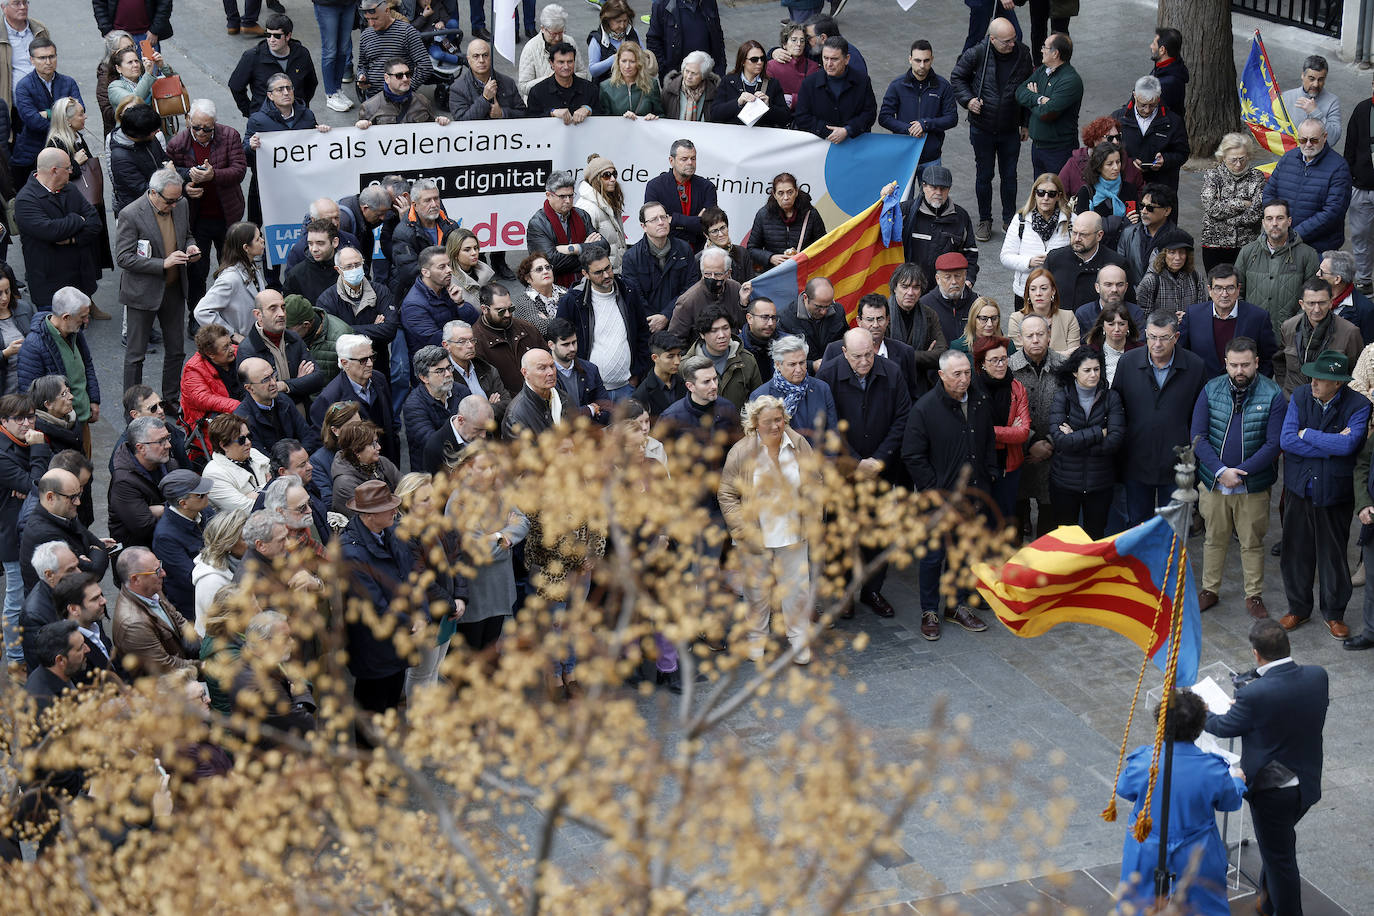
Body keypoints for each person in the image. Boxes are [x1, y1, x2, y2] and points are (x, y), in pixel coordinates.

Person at [1205, 619, 1329, 916]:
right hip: (1307, 781)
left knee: (1279, 859)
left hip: (1272, 791)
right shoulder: (1317, 676)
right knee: (1278, 846)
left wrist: (1203, 711)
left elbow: (1224, 727)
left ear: (1257, 653)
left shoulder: (1254, 694)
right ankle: (1268, 902)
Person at [1115, 690, 1244, 916]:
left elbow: (1124, 789)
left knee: (1135, 900)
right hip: (1197, 845)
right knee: (1207, 903)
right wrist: (1238, 782)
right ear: (1199, 726)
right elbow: (1230, 802)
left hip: (1146, 842)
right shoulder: (1212, 768)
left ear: (1160, 722)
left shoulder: (1145, 760)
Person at [718, 395, 821, 663]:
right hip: (756, 534)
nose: (776, 426)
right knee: (756, 592)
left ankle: (798, 638)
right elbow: (727, 494)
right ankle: (756, 637)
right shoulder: (741, 452)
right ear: (754, 424)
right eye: (768, 422)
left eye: (779, 419)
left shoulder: (798, 443)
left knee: (797, 590)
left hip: (793, 532)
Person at [902, 349, 994, 638]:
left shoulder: (979, 400)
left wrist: (989, 475)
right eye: (957, 374)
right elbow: (913, 455)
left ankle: (956, 606)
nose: (964, 379)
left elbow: (987, 440)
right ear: (941, 375)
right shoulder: (925, 409)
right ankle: (929, 610)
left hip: (972, 495)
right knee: (933, 557)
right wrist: (934, 490)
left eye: (967, 372)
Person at [1279, 345, 1368, 639]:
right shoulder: (1302, 396)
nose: (1312, 383)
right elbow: (1287, 440)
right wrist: (1329, 443)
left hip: (1334, 493)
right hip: (1298, 488)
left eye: (1319, 379)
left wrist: (1309, 435)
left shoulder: (1359, 405)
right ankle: (1298, 608)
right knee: (1295, 553)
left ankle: (1334, 613)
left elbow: (1349, 446)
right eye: (1312, 377)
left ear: (1338, 383)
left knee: (1333, 555)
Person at [1191, 336, 1284, 619]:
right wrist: (1221, 471)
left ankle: (1253, 595)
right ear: (1226, 363)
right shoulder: (1210, 389)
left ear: (1256, 362)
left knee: (1252, 541)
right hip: (1214, 482)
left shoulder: (1273, 394)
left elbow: (1274, 444)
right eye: (1234, 365)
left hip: (1252, 485)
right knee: (1214, 538)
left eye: (1245, 365)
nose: (1239, 371)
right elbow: (1198, 436)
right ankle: (1209, 590)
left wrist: (1241, 473)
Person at [1111, 310, 1206, 524]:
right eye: (1152, 337)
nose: (1157, 344)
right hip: (1136, 461)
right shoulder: (1128, 362)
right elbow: (1117, 408)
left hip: (1177, 465)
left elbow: (1199, 417)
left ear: (1177, 337)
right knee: (1137, 525)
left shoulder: (1195, 366)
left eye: (1164, 338)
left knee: (1172, 529)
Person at [115, 168, 198, 405]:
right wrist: (163, 263)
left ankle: (170, 401)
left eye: (177, 199)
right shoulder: (131, 214)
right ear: (153, 193)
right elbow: (123, 258)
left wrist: (191, 247)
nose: (174, 205)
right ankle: (133, 407)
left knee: (177, 350)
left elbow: (187, 234)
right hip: (142, 293)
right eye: (169, 201)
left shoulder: (181, 205)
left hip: (173, 289)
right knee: (135, 356)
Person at [339, 480, 418, 718]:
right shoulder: (350, 552)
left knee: (392, 700)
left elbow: (410, 574)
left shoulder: (390, 532)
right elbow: (374, 604)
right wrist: (411, 621)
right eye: (389, 507)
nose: (396, 511)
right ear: (369, 515)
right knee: (374, 707)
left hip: (396, 638)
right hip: (373, 647)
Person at [951, 18, 1033, 239]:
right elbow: (957, 77)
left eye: (1014, 39)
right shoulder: (977, 53)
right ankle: (984, 220)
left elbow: (1028, 88)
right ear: (992, 39)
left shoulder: (1022, 53)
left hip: (1009, 128)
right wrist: (968, 100)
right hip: (982, 128)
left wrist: (1025, 123)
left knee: (1010, 176)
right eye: (1006, 41)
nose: (1012, 45)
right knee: (984, 176)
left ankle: (1009, 220)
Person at [166, 101, 248, 310]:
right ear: (188, 122)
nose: (201, 132)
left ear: (215, 124)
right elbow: (169, 177)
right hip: (196, 219)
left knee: (230, 268)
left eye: (207, 128)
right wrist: (185, 189)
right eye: (196, 127)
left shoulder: (230, 136)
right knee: (196, 270)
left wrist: (214, 175)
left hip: (227, 215)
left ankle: (229, 312)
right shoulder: (176, 144)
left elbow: (239, 171)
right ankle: (196, 314)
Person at [1043, 345, 1122, 538]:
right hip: (1065, 483)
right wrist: (1097, 432)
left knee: (1095, 537)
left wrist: (1076, 440)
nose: (1093, 375)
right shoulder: (1063, 397)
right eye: (1087, 370)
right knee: (1066, 540)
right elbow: (1060, 440)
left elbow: (1115, 440)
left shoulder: (1111, 398)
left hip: (1099, 483)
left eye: (1096, 369)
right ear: (1075, 372)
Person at [555, 247, 652, 399]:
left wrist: (636, 374)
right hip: (591, 390)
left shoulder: (628, 291)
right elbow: (561, 341)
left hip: (628, 386)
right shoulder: (572, 301)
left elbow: (642, 332)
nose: (606, 275)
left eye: (608, 268)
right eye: (598, 272)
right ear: (585, 274)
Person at [14, 149, 101, 312]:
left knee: (77, 331)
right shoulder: (26, 200)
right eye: (68, 168)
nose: (71, 171)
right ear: (54, 170)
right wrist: (78, 219)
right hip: (51, 289)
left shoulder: (70, 189)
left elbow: (95, 223)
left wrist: (72, 239)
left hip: (79, 281)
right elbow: (51, 231)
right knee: (56, 335)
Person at [1235, 200, 1323, 359]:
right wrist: (1246, 322)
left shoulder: (1308, 255)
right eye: (1269, 218)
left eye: (1280, 218)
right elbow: (1236, 292)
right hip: (1252, 336)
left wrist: (1293, 327)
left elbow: (1313, 298)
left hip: (1290, 340)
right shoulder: (1247, 252)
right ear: (1263, 222)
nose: (1274, 223)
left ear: (1289, 221)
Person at [243, 73, 330, 226]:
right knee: (257, 225)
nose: (286, 92)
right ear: (270, 95)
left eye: (289, 88)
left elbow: (315, 148)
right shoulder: (258, 120)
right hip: (267, 186)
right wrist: (251, 146)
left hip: (299, 183)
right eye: (280, 89)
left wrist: (323, 134)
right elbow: (244, 154)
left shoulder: (307, 116)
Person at [16, 289, 101, 443]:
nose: (87, 320)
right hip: (59, 432)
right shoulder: (34, 346)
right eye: (82, 317)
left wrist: (94, 400)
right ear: (66, 317)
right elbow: (30, 397)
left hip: (81, 421)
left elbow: (87, 364)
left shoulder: (75, 331)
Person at [0, 393, 49, 651]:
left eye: (30, 417)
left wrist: (31, 484)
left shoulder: (25, 440)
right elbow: (39, 486)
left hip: (30, 527)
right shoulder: (3, 453)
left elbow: (42, 480)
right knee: (16, 597)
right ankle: (16, 655)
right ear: (3, 421)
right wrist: (39, 450)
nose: (27, 424)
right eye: (18, 419)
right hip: (11, 536)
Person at [1262, 118, 1351, 259]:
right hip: (1281, 240)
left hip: (1318, 248)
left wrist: (1294, 235)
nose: (1308, 144)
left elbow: (1333, 212)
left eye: (1314, 140)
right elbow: (1269, 193)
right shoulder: (1287, 158)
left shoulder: (1339, 167)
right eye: (1303, 140)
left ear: (1325, 137)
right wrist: (1277, 224)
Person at [44, 98, 113, 280]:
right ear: (67, 120)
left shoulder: (76, 136)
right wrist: (74, 163)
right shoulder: (56, 143)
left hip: (87, 201)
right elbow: (53, 178)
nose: (85, 117)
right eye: (80, 114)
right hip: (72, 207)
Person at [1010, 315, 1064, 539]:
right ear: (1020, 338)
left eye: (1040, 334)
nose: (1035, 340)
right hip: (1017, 453)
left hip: (1054, 452)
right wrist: (1031, 442)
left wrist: (1050, 443)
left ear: (1049, 336)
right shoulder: (1008, 366)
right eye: (1029, 335)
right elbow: (1004, 413)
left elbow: (1072, 411)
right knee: (1014, 521)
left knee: (1049, 525)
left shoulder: (1063, 367)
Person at [1177, 264, 1278, 380]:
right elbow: (1182, 354)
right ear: (1209, 290)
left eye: (1230, 288)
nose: (1224, 294)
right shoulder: (1193, 315)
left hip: (1246, 390)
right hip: (1202, 389)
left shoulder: (1258, 317)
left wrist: (1256, 385)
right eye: (1218, 288)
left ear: (1238, 289)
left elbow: (1269, 358)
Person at [112, 545, 200, 676]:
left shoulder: (151, 589)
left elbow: (177, 618)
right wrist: (206, 666)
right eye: (157, 570)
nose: (163, 573)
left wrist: (202, 645)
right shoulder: (133, 625)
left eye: (160, 566)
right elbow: (167, 666)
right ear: (136, 579)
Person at [21, 466, 110, 591]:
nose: (78, 502)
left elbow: (98, 544)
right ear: (50, 497)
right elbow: (93, 571)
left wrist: (92, 551)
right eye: (72, 497)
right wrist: (95, 551)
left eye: (79, 495)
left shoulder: (63, 513)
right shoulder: (44, 534)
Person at [312, 334, 398, 464]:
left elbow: (390, 423)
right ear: (344, 363)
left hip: (387, 461)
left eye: (371, 357)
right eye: (363, 360)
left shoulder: (379, 379)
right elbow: (328, 446)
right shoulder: (329, 399)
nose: (370, 364)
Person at [236, 289, 326, 407]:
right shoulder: (248, 349)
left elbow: (318, 379)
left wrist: (283, 385)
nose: (282, 314)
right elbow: (253, 397)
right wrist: (299, 384)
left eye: (283, 307)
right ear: (258, 315)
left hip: (302, 413)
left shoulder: (293, 338)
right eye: (273, 308)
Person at [823, 294, 923, 400]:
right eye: (870, 319)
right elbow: (823, 395)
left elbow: (911, 396)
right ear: (859, 321)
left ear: (888, 320)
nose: (875, 325)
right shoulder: (834, 350)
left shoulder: (905, 352)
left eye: (880, 319)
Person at [974, 335, 1029, 525]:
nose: (1000, 364)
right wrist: (1007, 431)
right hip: (980, 467)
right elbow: (972, 433)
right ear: (982, 363)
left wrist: (989, 431)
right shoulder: (972, 389)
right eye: (994, 360)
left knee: (1004, 521)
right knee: (982, 523)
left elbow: (1023, 432)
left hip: (1009, 466)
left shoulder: (1017, 388)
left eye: (1004, 359)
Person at [880, 39, 955, 174]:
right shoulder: (897, 85)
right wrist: (909, 129)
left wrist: (925, 124)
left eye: (926, 60)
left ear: (932, 59)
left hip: (931, 157)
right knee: (905, 196)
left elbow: (952, 118)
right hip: (904, 155)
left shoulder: (943, 86)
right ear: (910, 59)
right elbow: (884, 117)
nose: (922, 65)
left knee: (931, 196)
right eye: (917, 60)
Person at [11, 38, 81, 183]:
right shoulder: (23, 86)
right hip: (32, 153)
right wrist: (62, 117)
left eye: (52, 56)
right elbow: (32, 121)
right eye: (42, 58)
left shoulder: (68, 82)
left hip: (66, 149)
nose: (48, 62)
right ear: (32, 60)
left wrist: (47, 113)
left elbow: (78, 113)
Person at [1280, 278, 1363, 398]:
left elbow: (1357, 374)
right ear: (1302, 304)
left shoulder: (1349, 332)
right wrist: (1286, 391)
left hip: (1332, 404)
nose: (1317, 309)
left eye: (1322, 303)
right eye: (1311, 303)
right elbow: (1279, 363)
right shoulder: (1288, 327)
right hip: (1294, 402)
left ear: (1331, 303)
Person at [108, 414, 182, 549]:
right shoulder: (124, 482)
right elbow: (145, 528)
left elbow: (186, 500)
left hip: (170, 544)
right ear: (141, 448)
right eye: (161, 441)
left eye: (168, 438)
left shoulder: (171, 465)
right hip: (138, 556)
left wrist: (161, 510)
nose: (169, 445)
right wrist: (173, 508)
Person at [1016, 32, 1082, 177]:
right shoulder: (1042, 71)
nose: (1041, 50)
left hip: (1058, 151)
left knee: (1058, 194)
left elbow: (1047, 113)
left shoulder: (1070, 81)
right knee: (1041, 195)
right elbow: (1020, 91)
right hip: (1038, 148)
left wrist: (1032, 100)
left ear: (1055, 53)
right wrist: (1039, 99)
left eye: (1045, 47)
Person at [1000, 174, 1071, 308]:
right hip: (1026, 292)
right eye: (1041, 192)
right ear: (1034, 194)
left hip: (1060, 292)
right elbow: (1005, 256)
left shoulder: (1071, 221)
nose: (1045, 198)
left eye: (1051, 194)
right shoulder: (1020, 220)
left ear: (1058, 196)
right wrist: (1028, 262)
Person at [902, 166, 980, 287]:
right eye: (933, 187)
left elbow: (970, 253)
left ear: (949, 189)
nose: (938, 193)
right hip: (911, 289)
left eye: (943, 188)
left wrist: (968, 279)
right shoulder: (904, 212)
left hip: (945, 292)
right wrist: (885, 201)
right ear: (923, 186)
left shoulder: (960, 216)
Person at [229, 13, 318, 116]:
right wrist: (252, 113)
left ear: (288, 36)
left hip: (296, 117)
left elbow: (311, 83)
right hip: (266, 120)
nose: (271, 40)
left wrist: (301, 106)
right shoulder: (252, 57)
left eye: (277, 36)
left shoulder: (302, 54)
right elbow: (235, 86)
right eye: (268, 35)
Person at [150, 469, 212, 615]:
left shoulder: (203, 510)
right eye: (200, 495)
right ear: (183, 503)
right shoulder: (165, 537)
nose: (207, 496)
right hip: (195, 607)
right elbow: (191, 578)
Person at [1200, 132, 1265, 272]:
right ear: (1223, 157)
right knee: (1217, 288)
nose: (1238, 164)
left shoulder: (1257, 177)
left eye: (1242, 158)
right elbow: (1211, 207)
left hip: (1246, 244)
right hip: (1215, 244)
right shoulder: (1213, 176)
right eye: (1233, 160)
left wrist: (1227, 220)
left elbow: (1256, 213)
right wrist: (1243, 204)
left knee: (1243, 288)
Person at [1111, 75, 1188, 193]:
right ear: (1134, 95)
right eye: (1142, 105)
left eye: (1152, 105)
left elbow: (1182, 153)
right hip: (1127, 185)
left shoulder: (1173, 121)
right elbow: (1108, 150)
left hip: (1161, 186)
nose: (1147, 110)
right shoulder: (1118, 118)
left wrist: (1166, 160)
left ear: (1158, 98)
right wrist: (1128, 162)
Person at [752, 334, 835, 443]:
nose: (799, 369)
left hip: (818, 457)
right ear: (778, 365)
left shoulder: (822, 388)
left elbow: (832, 433)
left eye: (802, 362)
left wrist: (827, 459)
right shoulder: (761, 396)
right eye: (792, 364)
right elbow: (760, 442)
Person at [793, 37, 876, 146]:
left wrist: (847, 130)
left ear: (847, 59)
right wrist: (829, 132)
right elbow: (802, 117)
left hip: (855, 145)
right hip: (820, 147)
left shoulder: (862, 81)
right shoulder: (809, 83)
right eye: (825, 58)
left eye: (834, 59)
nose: (829, 64)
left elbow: (870, 113)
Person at [232, 356, 321, 455]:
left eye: (273, 375)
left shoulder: (284, 400)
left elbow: (307, 436)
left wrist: (301, 458)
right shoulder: (242, 419)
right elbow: (260, 457)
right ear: (249, 388)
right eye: (265, 380)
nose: (274, 383)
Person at [193, 222, 267, 341]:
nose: (262, 241)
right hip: (241, 346)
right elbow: (201, 311)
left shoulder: (251, 266)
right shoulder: (230, 279)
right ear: (246, 248)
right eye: (258, 239)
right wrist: (232, 334)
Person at [526, 171, 600, 288]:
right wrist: (587, 251)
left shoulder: (582, 215)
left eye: (571, 195)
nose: (568, 200)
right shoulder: (537, 224)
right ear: (548, 195)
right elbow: (552, 263)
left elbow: (603, 247)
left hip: (586, 284)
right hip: (553, 289)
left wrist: (574, 248)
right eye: (562, 196)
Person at [389, 177, 459, 300]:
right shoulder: (403, 233)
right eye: (427, 200)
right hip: (418, 293)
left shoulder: (451, 226)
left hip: (451, 288)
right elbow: (410, 272)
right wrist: (443, 281)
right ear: (415, 205)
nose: (434, 204)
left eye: (436, 198)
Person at [644, 139, 719, 252]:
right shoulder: (655, 186)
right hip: (665, 252)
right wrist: (696, 221)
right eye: (684, 159)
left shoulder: (707, 187)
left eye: (693, 158)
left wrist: (673, 220)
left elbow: (710, 225)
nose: (690, 162)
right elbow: (654, 226)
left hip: (699, 253)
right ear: (671, 160)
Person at [401, 246, 477, 358]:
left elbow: (475, 323)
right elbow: (437, 341)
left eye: (449, 265)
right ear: (426, 272)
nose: (449, 270)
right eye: (442, 267)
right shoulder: (413, 306)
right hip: (434, 364)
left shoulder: (446, 289)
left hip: (457, 352)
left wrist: (460, 303)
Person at [1048, 214, 1130, 315]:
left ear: (1099, 235)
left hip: (1098, 326)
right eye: (1074, 233)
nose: (1077, 238)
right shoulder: (1055, 258)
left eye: (1084, 235)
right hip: (1060, 324)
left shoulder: (1117, 263)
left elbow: (1127, 303)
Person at [473, 283, 543, 394]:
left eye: (511, 308)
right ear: (484, 309)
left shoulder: (526, 328)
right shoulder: (476, 343)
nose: (507, 314)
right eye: (500, 311)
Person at [684, 307, 761, 409]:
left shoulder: (747, 360)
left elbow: (758, 401)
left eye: (725, 328)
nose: (721, 335)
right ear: (702, 334)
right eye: (714, 330)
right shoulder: (687, 366)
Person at [748, 173, 826, 271]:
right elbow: (751, 249)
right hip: (774, 273)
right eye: (781, 193)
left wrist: (804, 257)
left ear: (796, 192)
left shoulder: (810, 214)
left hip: (804, 273)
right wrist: (770, 258)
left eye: (790, 192)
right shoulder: (763, 215)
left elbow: (823, 245)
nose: (786, 197)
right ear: (774, 194)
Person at [1070, 143, 1139, 253]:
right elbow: (1084, 228)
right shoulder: (1086, 192)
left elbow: (1135, 222)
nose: (1116, 167)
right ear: (1099, 166)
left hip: (1124, 250)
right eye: (1109, 164)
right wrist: (1123, 222)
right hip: (1095, 251)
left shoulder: (1128, 189)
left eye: (1118, 162)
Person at [355, 0, 431, 98]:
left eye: (375, 18)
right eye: (368, 19)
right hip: (373, 98)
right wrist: (361, 77)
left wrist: (407, 87)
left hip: (401, 99)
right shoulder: (366, 35)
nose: (371, 23)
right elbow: (362, 65)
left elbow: (425, 66)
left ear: (387, 11)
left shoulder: (407, 32)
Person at [191, 508, 247, 636]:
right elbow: (220, 628)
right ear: (229, 544)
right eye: (245, 538)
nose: (253, 541)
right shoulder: (210, 582)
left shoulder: (245, 561)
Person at [668, 248, 743, 344]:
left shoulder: (735, 288)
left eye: (717, 274)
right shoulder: (688, 301)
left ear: (728, 273)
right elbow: (675, 340)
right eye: (707, 274)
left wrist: (743, 304)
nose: (712, 278)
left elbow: (744, 324)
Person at [544, 318, 612, 424]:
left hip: (590, 433)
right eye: (565, 344)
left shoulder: (590, 369)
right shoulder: (543, 375)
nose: (572, 348)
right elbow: (554, 418)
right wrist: (590, 410)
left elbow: (607, 409)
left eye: (574, 342)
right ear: (551, 345)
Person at [517, 5, 590, 100]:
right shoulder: (531, 48)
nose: (558, 38)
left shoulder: (570, 41)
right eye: (553, 34)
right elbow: (523, 87)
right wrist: (551, 79)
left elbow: (583, 73)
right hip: (541, 103)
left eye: (561, 32)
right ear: (543, 28)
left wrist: (568, 77)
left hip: (571, 99)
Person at [402, 346, 458, 470]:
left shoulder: (461, 391)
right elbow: (434, 444)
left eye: (449, 368)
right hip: (432, 476)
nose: (448, 374)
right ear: (424, 377)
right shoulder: (414, 406)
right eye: (440, 371)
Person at [355, 56, 452, 128]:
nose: (405, 79)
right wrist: (359, 127)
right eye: (399, 76)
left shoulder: (422, 101)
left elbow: (433, 129)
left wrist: (440, 122)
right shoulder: (369, 107)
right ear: (387, 78)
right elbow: (361, 143)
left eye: (408, 74)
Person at [201, 414, 271, 513]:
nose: (248, 442)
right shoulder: (213, 475)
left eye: (249, 436)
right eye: (241, 439)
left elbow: (284, 481)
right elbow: (247, 509)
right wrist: (270, 487)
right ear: (224, 445)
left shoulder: (254, 453)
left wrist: (256, 493)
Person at [1057, 117, 1144, 197]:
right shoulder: (1074, 163)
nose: (1116, 142)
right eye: (1110, 138)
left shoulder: (1126, 162)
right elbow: (1058, 192)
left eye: (1118, 137)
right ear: (1095, 139)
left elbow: (1141, 191)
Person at [712, 40, 789, 128]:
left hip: (763, 137)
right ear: (743, 61)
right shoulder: (728, 81)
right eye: (754, 59)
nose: (760, 62)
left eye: (762, 58)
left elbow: (785, 118)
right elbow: (715, 114)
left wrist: (768, 106)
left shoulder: (773, 83)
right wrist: (737, 102)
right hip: (734, 136)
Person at [442, 319, 510, 415]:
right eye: (462, 341)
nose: (470, 345)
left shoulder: (487, 369)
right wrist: (488, 407)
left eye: (472, 340)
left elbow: (506, 403)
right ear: (446, 345)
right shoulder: (443, 376)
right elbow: (453, 415)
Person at [331, 422, 400, 515]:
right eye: (373, 444)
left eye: (377, 442)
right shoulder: (344, 485)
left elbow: (403, 487)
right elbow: (368, 520)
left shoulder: (382, 462)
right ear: (356, 451)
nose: (379, 447)